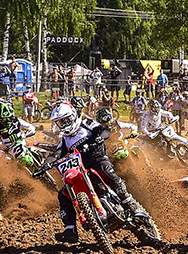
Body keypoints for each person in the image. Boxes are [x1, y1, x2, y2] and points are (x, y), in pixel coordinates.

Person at [40, 101, 151, 243]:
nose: (64, 124)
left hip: (98, 159)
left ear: (73, 116)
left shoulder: (86, 123)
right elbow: (57, 153)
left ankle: (132, 206)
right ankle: (70, 229)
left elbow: (104, 131)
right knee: (64, 193)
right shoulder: (66, 139)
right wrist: (45, 165)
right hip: (82, 168)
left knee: (107, 172)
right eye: (60, 122)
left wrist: (99, 137)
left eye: (66, 120)